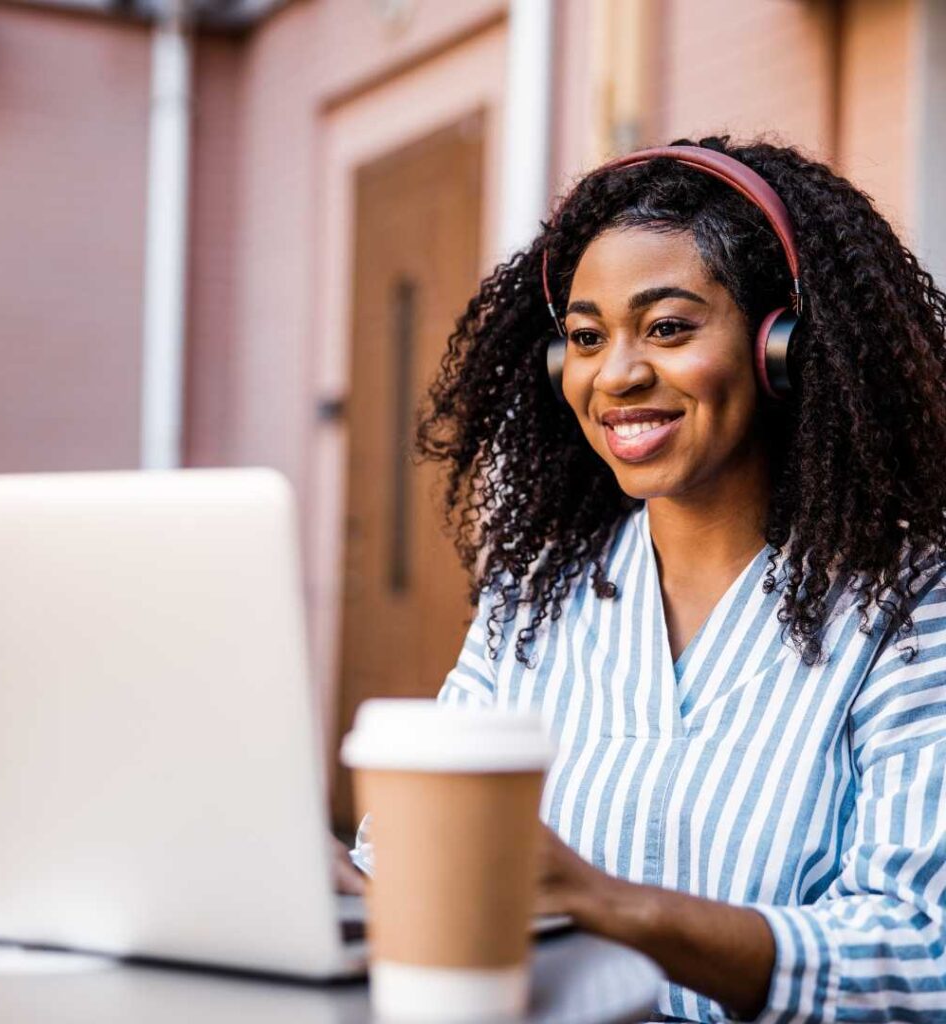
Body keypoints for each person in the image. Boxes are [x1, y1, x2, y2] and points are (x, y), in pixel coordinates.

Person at [399, 135, 946, 1023]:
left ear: (783, 346)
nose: (617, 374)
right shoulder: (535, 597)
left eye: (668, 327)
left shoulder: (910, 607)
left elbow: (924, 952)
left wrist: (618, 907)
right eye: (584, 337)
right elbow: (420, 852)